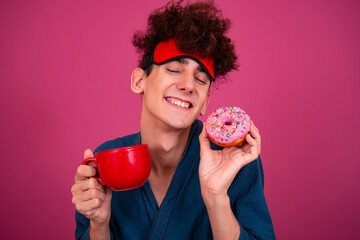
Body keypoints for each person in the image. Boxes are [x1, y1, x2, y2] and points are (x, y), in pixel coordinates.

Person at [71, 0, 276, 239]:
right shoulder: (106, 160)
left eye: (200, 80)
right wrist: (99, 224)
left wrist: (215, 196)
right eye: (173, 70)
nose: (188, 85)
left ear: (205, 103)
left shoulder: (234, 161)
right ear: (139, 81)